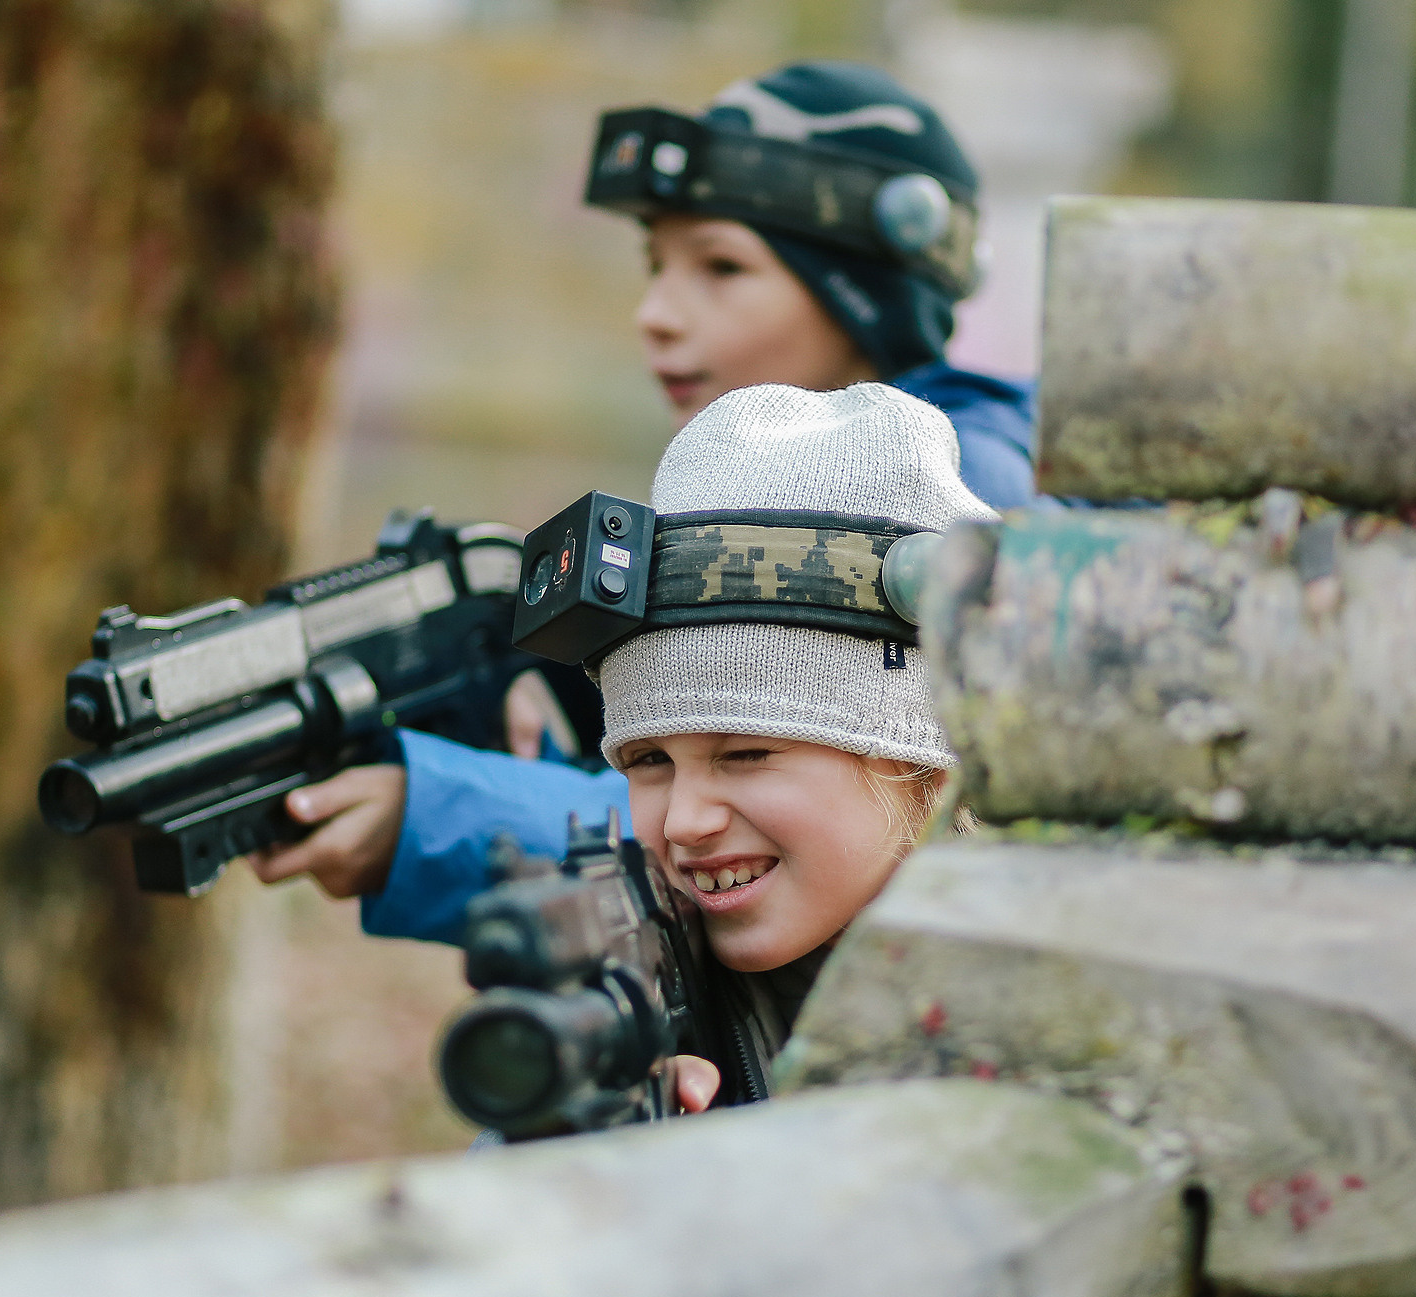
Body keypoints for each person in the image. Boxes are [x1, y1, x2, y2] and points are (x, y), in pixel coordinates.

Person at [248, 62, 1027, 940]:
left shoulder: (967, 498)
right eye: (655, 264)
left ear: (867, 298)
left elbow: (860, 818)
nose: (654, 312)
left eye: (722, 267)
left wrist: (438, 816)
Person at [603, 379, 988, 1109]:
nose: (684, 821)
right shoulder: (636, 1012)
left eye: (745, 752)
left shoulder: (1061, 1016)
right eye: (648, 759)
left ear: (924, 765)